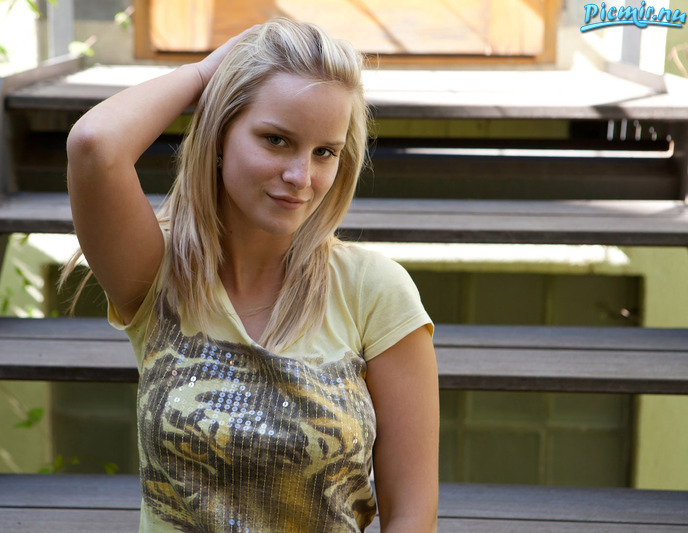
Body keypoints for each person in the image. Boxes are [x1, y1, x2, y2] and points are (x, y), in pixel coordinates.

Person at [64, 18, 438, 533]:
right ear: (220, 135)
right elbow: (94, 144)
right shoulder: (158, 271)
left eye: (324, 152)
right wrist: (204, 74)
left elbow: (413, 517)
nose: (301, 177)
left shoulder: (374, 291)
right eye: (276, 140)